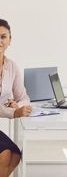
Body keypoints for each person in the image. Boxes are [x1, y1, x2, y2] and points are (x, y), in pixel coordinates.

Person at [0, 19, 32, 177]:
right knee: (4, 154)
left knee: (15, 155)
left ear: (9, 40)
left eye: (3, 37)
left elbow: (23, 96)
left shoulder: (11, 66)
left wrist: (17, 105)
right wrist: (14, 113)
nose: (0, 41)